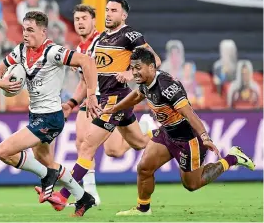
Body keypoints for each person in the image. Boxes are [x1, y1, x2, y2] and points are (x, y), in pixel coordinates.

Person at [37, 0, 161, 215]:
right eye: (107, 10)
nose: (109, 13)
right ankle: (153, 132)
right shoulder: (102, 38)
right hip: (107, 99)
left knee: (87, 146)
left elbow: (155, 61)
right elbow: (90, 76)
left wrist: (130, 72)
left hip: (115, 100)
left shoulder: (130, 35)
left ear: (123, 15)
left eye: (114, 10)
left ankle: (64, 196)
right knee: (139, 143)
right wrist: (73, 103)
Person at [102, 47, 255, 216]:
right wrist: (114, 108)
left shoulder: (167, 87)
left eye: (138, 67)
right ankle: (143, 209)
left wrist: (204, 137)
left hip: (188, 138)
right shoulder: (145, 82)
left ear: (151, 67)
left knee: (192, 185)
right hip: (167, 133)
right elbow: (138, 95)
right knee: (144, 168)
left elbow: (189, 113)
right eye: (132, 68)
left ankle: (233, 158)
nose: (134, 72)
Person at [0, 11, 100, 217]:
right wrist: (0, 82)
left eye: (30, 30)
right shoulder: (21, 51)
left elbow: (87, 62)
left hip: (50, 118)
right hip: (35, 115)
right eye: (24, 29)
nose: (25, 34)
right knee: (47, 161)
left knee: (3, 151)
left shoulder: (53, 52)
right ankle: (84, 197)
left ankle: (46, 176)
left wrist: (92, 95)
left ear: (43, 31)